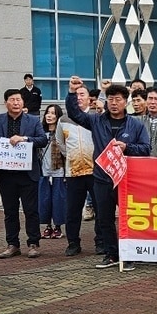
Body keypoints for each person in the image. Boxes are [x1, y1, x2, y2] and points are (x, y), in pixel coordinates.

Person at [65, 77, 151, 268]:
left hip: (127, 180)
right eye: (110, 99)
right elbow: (75, 114)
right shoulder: (96, 121)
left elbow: (146, 148)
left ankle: (129, 255)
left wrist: (127, 147)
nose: (114, 103)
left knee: (130, 219)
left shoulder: (136, 125)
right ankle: (112, 254)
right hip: (102, 178)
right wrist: (72, 92)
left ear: (125, 101)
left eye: (118, 99)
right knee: (104, 218)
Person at [0, 89, 50, 259]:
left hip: (27, 173)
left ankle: (33, 243)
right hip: (5, 173)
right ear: (6, 103)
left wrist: (24, 138)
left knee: (31, 210)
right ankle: (12, 244)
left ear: (23, 103)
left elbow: (42, 140)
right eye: (12, 100)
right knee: (10, 211)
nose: (16, 103)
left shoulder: (32, 120)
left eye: (19, 100)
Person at [59, 85, 98, 256]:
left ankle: (101, 242)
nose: (78, 97)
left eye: (82, 94)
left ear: (89, 98)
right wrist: (73, 157)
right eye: (75, 95)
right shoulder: (63, 120)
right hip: (73, 171)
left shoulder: (96, 117)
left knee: (101, 209)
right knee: (72, 210)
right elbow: (61, 144)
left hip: (96, 171)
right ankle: (73, 243)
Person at [38, 104, 68, 240]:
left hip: (59, 171)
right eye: (47, 113)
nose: (49, 116)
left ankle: (58, 227)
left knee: (58, 200)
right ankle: (47, 226)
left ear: (58, 116)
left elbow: (67, 153)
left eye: (53, 113)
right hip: (43, 172)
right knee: (43, 200)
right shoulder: (39, 132)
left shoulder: (62, 133)